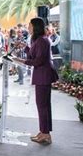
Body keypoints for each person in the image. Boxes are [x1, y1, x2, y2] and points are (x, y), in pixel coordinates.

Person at [14, 17, 58, 145]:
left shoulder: (43, 41)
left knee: (42, 105)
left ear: (36, 27)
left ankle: (45, 134)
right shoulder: (39, 40)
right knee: (43, 105)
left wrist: (21, 61)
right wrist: (25, 47)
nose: (28, 27)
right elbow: (34, 55)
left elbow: (38, 61)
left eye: (30, 25)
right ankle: (44, 131)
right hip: (42, 75)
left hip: (43, 75)